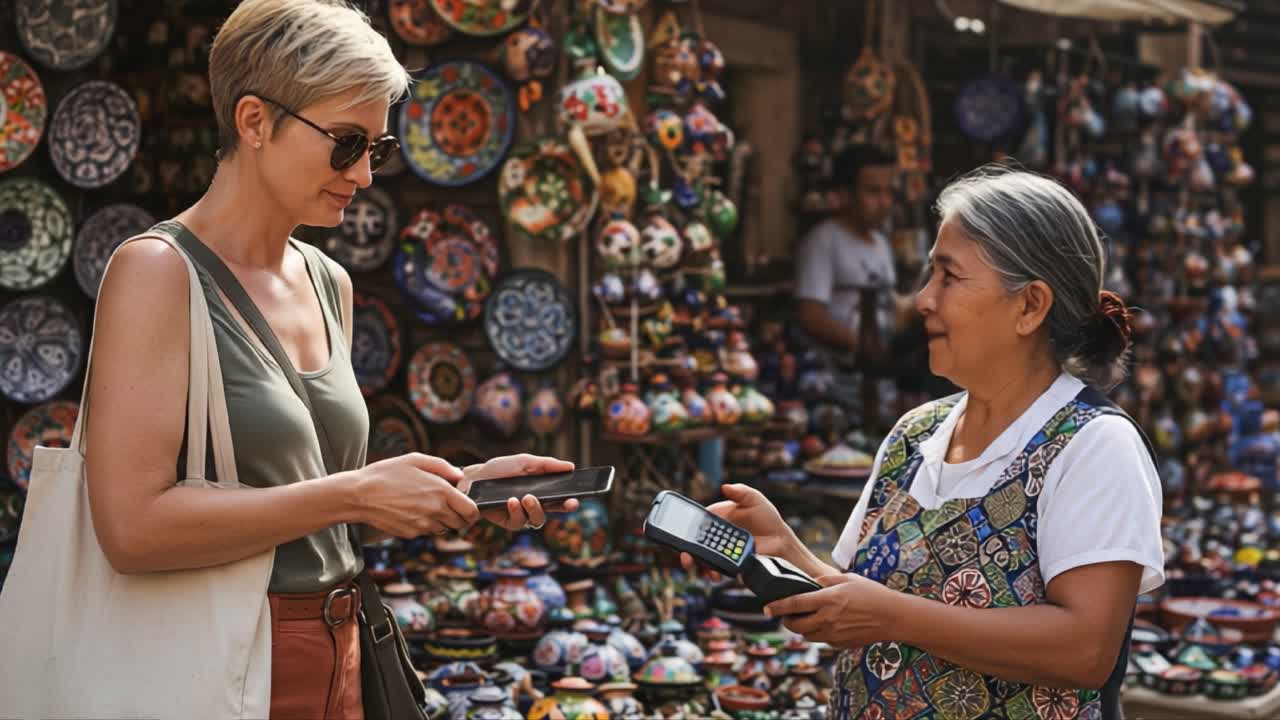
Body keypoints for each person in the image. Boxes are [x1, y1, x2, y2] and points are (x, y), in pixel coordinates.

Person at [83, 2, 576, 718]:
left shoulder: (328, 283)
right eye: (346, 143)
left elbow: (303, 499)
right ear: (253, 121)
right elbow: (131, 530)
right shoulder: (159, 274)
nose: (365, 176)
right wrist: (356, 494)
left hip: (340, 650)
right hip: (220, 660)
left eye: (376, 149)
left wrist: (455, 490)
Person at [690, 166, 1164, 719]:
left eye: (949, 277)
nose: (922, 300)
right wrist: (782, 549)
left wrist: (895, 617)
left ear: (1031, 306)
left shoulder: (1093, 446)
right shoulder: (915, 433)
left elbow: (1085, 650)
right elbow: (859, 603)